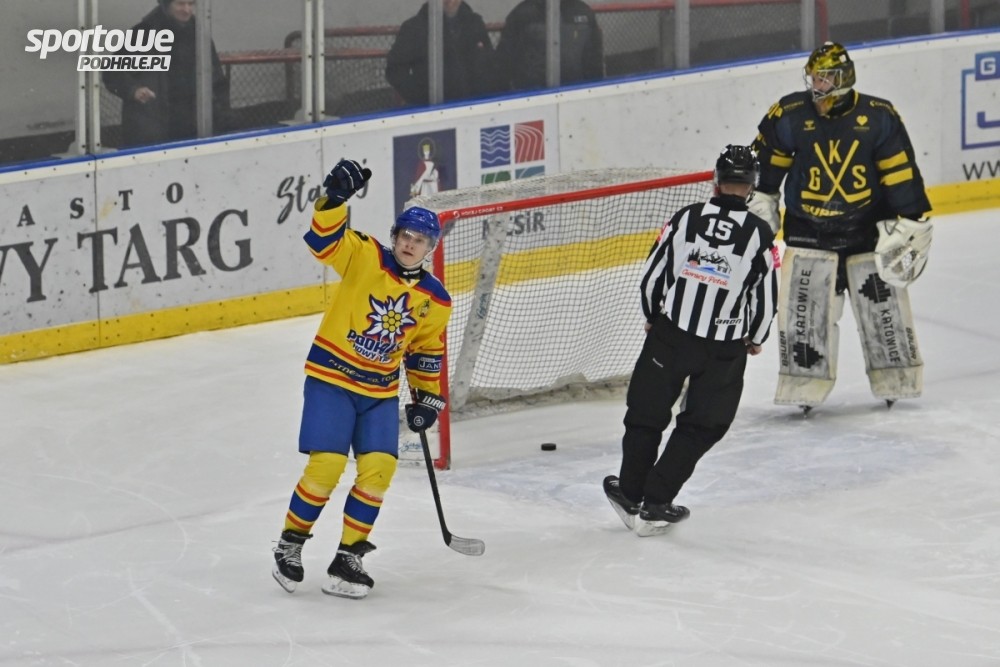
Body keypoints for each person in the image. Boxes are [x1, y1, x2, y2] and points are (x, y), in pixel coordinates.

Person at [271, 159, 452, 599]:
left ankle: (348, 557)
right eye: (405, 236)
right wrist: (333, 202)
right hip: (332, 380)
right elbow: (323, 242)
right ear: (394, 236)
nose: (409, 244)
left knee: (379, 469)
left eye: (419, 240)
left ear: (430, 247)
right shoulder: (365, 254)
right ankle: (290, 544)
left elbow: (425, 349)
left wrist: (428, 399)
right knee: (327, 465)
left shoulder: (435, 298)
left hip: (378, 393)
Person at [603, 145, 779, 536]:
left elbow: (653, 275)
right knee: (702, 425)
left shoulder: (686, 218)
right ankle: (656, 501)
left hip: (671, 336)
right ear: (751, 186)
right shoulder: (760, 233)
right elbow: (765, 298)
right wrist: (755, 337)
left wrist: (653, 318)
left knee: (646, 413)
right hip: (724, 349)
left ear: (716, 181)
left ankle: (630, 493)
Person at [749, 42, 933, 412]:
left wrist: (913, 219)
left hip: (867, 230)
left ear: (844, 77)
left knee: (884, 312)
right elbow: (766, 164)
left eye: (825, 77)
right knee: (804, 313)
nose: (817, 84)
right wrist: (762, 199)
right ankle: (804, 383)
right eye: (814, 77)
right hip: (808, 230)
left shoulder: (878, 116)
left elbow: (900, 172)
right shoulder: (789, 113)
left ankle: (895, 377)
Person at [103, 0, 229, 148]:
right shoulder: (142, 34)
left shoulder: (199, 36)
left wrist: (222, 115)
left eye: (191, 4)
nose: (187, 9)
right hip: (152, 129)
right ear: (166, 5)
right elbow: (112, 71)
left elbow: (216, 80)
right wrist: (133, 90)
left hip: (194, 128)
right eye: (180, 4)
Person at [385, 0, 498, 106]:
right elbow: (395, 69)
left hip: (476, 108)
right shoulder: (414, 28)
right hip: (433, 111)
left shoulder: (475, 23)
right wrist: (421, 100)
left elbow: (490, 64)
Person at [495, 0, 604, 92]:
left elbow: (594, 59)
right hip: (532, 95)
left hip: (575, 92)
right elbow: (504, 62)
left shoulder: (583, 12)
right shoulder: (522, 14)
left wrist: (596, 90)